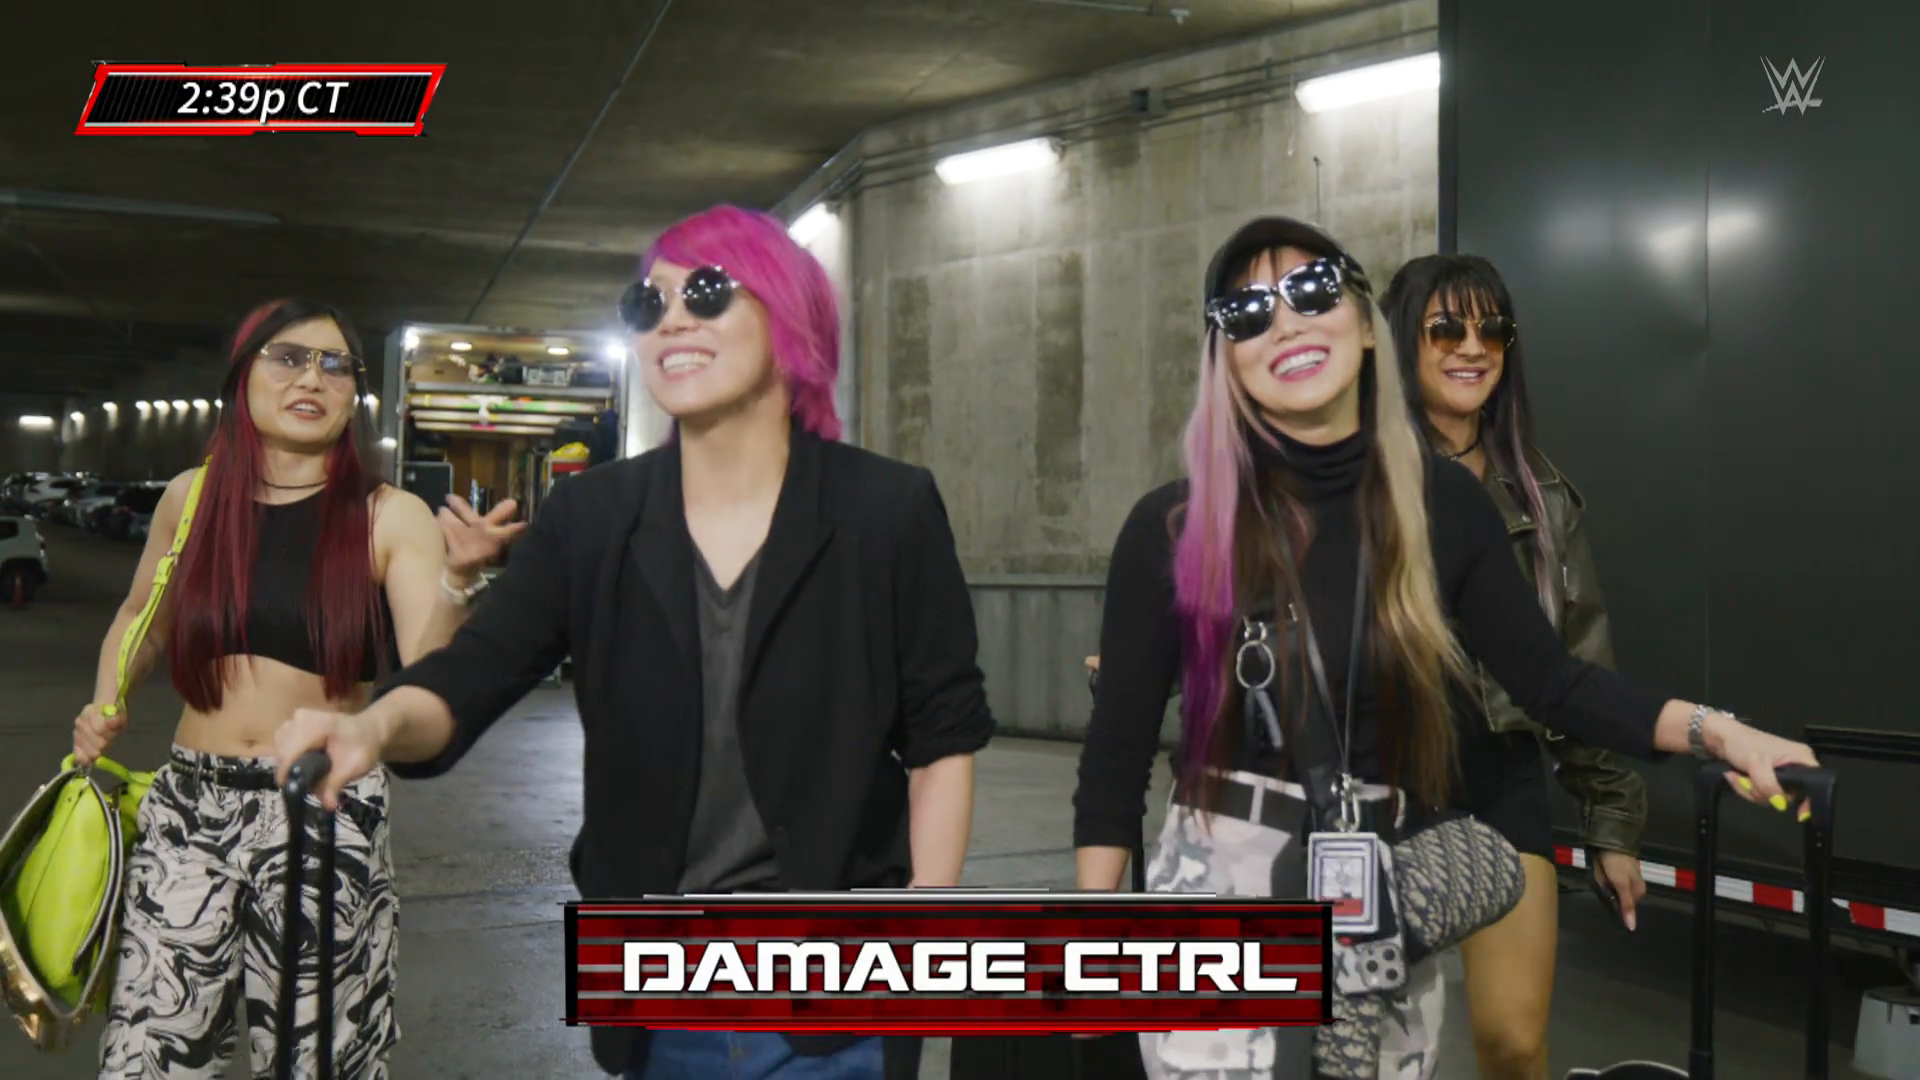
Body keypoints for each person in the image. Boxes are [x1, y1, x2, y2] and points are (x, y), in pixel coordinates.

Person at [1070, 216, 1817, 1080]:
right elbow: (1116, 755)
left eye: (1311, 291)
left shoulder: (1443, 507)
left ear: (1361, 321)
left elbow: (1556, 683)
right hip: (1225, 884)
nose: (1285, 323)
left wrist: (1720, 732)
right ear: (1225, 358)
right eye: (1246, 312)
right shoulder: (1172, 526)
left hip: (1383, 891)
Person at [270, 204, 994, 1080]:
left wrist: (923, 925)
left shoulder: (887, 509)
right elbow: (473, 672)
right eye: (647, 304)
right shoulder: (594, 516)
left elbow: (941, 739)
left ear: (788, 316)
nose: (671, 319)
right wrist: (373, 726)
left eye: (708, 292)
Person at [73, 297, 522, 1079]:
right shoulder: (191, 497)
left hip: (323, 808)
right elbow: (141, 616)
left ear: (353, 394)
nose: (312, 378)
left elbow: (431, 669)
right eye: (288, 358)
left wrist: (458, 581)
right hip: (189, 812)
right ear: (242, 378)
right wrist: (105, 700)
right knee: (149, 1053)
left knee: (321, 1061)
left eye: (334, 365)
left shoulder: (388, 516)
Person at [1382, 253, 1646, 1079]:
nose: (1473, 347)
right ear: (1401, 341)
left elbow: (1578, 661)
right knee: (1363, 1047)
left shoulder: (1542, 497)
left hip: (1497, 772)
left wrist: (1610, 823)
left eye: (1492, 329)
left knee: (1512, 1041)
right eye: (1446, 328)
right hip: (1375, 773)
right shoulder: (1351, 478)